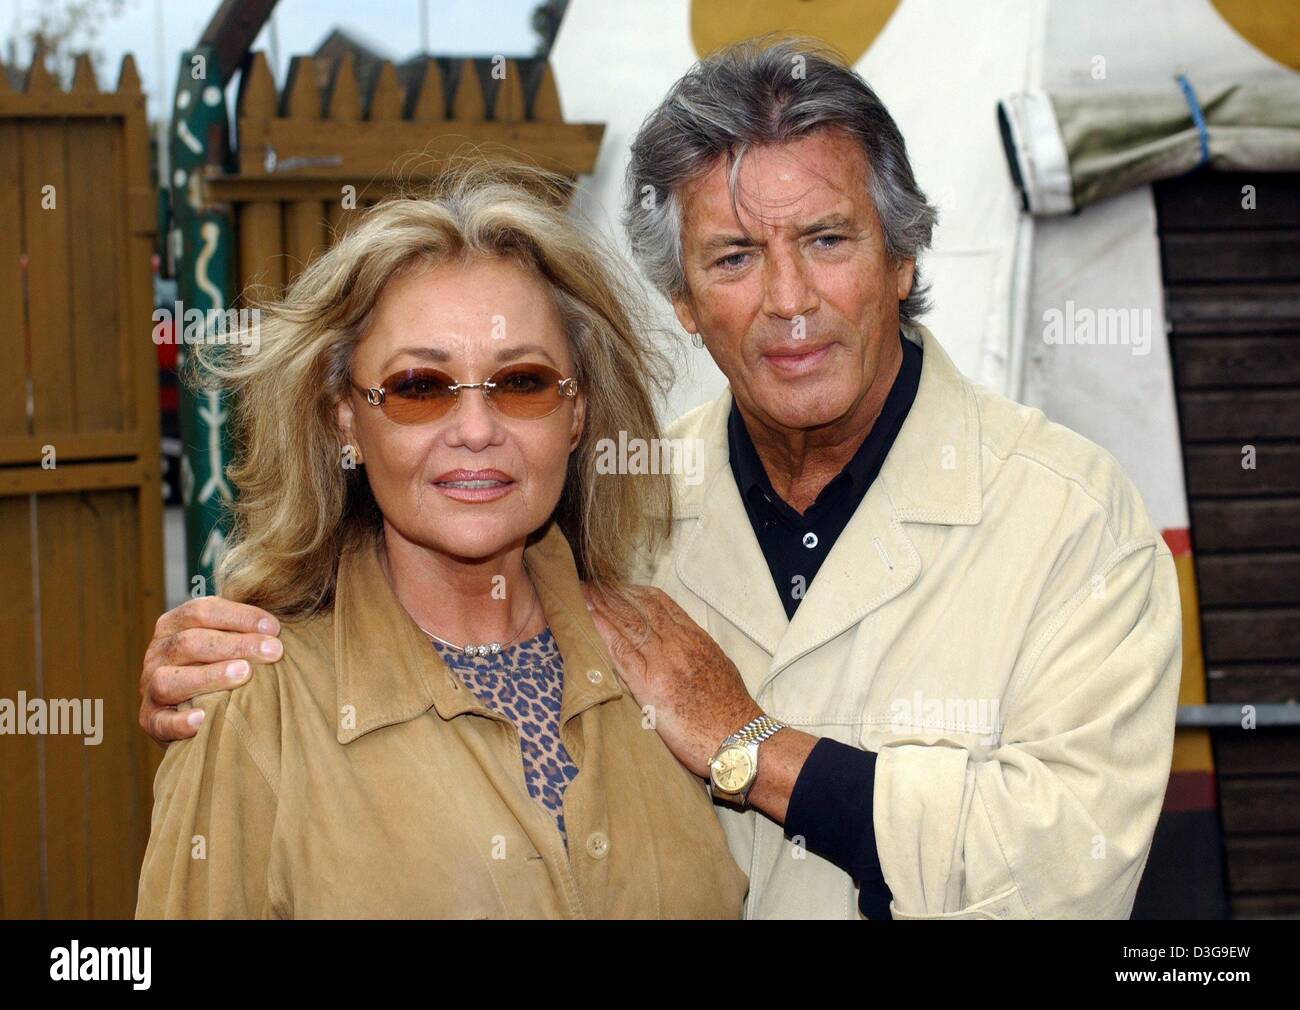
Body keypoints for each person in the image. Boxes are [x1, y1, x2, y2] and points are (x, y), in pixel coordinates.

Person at [139, 38, 1182, 920]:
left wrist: (753, 748)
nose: (787, 300)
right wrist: (242, 652)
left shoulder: (1070, 523)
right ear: (681, 299)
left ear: (901, 258)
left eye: (825, 240)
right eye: (730, 257)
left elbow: (1072, 869)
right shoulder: (622, 519)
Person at [134, 166, 746, 918]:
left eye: (521, 382)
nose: (477, 430)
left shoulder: (666, 654)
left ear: (577, 413)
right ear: (345, 421)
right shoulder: (255, 710)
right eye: (420, 387)